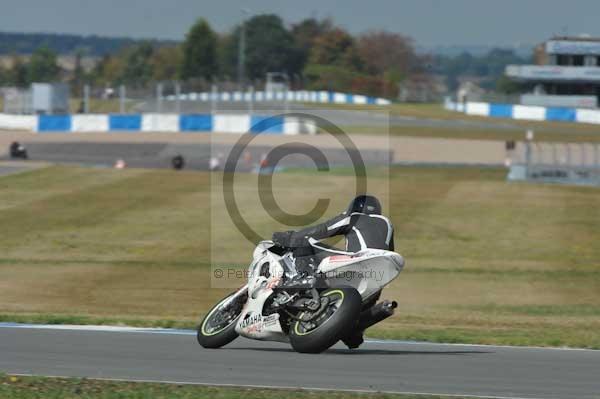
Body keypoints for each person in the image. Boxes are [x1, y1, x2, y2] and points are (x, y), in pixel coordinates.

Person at [271, 194, 395, 349]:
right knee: (354, 330)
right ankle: (355, 329)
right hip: (375, 282)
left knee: (303, 241)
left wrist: (289, 237)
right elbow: (387, 254)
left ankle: (302, 278)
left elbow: (323, 229)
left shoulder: (353, 217)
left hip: (356, 263)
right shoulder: (388, 224)